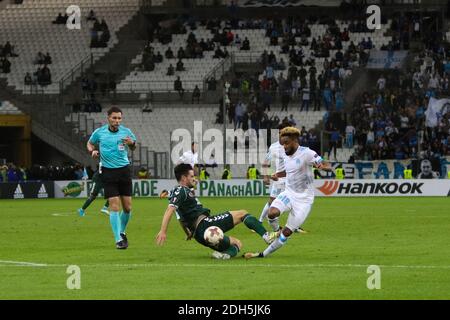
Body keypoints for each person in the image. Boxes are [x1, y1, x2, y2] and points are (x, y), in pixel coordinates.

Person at [155, 164, 280, 260]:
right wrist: (163, 231)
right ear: (183, 178)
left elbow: (180, 217)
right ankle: (266, 236)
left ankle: (224, 255)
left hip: (200, 235)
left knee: (238, 244)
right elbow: (170, 210)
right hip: (205, 224)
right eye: (192, 176)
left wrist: (188, 232)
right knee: (242, 213)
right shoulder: (181, 191)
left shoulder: (180, 192)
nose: (194, 179)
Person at [244, 127, 332, 259]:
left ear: (295, 141)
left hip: (304, 200)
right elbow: (289, 171)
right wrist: (276, 174)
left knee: (286, 233)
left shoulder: (307, 153)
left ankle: (263, 254)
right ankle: (276, 230)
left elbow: (325, 164)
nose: (284, 147)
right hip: (289, 193)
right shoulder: (286, 155)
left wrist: (321, 166)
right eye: (282, 143)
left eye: (286, 143)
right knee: (272, 212)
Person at [87, 106, 137, 249]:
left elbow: (134, 147)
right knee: (114, 206)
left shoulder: (126, 132)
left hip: (124, 171)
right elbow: (90, 143)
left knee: (127, 208)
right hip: (108, 172)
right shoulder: (99, 132)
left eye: (119, 118)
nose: (117, 121)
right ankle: (118, 240)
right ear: (108, 118)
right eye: (114, 118)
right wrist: (92, 151)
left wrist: (131, 143)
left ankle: (121, 232)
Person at [260, 123, 307, 234]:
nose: (284, 135)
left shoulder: (294, 146)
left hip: (292, 179)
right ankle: (260, 221)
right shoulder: (274, 147)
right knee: (272, 203)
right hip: (279, 179)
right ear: (279, 133)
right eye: (282, 133)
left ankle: (294, 226)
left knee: (296, 201)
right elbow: (265, 162)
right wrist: (266, 176)